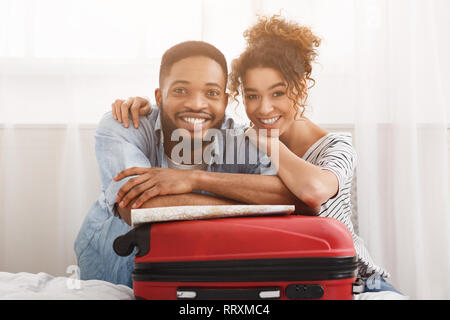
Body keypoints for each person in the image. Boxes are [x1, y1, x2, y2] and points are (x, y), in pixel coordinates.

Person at [113, 15, 404, 296]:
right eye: (252, 96)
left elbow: (312, 194)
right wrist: (148, 107)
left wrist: (265, 146)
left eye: (278, 93)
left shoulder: (337, 147)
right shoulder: (240, 141)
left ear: (301, 89)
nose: (264, 109)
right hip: (290, 280)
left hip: (356, 280)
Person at [75, 40, 313, 288]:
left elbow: (292, 199)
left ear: (225, 100)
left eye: (211, 93)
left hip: (198, 281)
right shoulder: (123, 124)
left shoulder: (244, 139)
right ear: (159, 96)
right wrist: (250, 205)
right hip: (117, 278)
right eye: (180, 91)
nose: (197, 105)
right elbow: (137, 207)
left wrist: (193, 180)